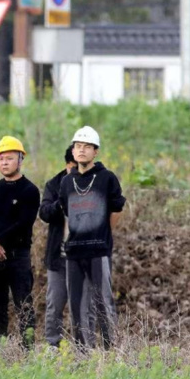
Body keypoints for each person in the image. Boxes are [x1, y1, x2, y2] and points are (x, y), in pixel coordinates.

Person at [59, 126, 126, 350]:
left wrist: (104, 234)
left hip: (99, 250)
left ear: (95, 151)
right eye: (78, 146)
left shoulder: (107, 178)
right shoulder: (67, 182)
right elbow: (67, 213)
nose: (81, 151)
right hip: (74, 251)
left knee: (102, 302)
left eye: (87, 147)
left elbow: (117, 208)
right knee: (77, 305)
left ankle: (110, 350)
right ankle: (82, 352)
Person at [0, 136, 40, 348]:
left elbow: (23, 223)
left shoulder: (29, 190)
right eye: (1, 158)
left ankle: (28, 349)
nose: (4, 163)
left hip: (18, 257)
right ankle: (0, 348)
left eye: (9, 158)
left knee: (23, 304)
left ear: (20, 160)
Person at [39, 144, 77, 347]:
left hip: (84, 257)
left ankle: (83, 347)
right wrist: (62, 201)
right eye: (73, 168)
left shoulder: (95, 182)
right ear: (67, 165)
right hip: (58, 258)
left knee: (82, 305)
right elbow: (44, 212)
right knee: (54, 304)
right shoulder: (54, 184)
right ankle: (53, 346)